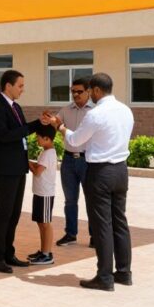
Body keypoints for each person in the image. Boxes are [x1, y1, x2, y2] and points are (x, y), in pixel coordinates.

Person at [43, 72, 134, 291]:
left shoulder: (95, 114)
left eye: (89, 90)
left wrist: (61, 127)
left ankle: (104, 277)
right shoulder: (126, 110)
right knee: (119, 222)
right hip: (121, 170)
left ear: (96, 91)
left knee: (103, 225)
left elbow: (74, 140)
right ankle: (123, 272)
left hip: (101, 171)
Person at [0, 69, 44, 273]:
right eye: (20, 86)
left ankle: (9, 253)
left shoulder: (16, 107)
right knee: (3, 212)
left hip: (19, 167)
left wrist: (40, 124)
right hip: (5, 168)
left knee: (15, 213)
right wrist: (34, 125)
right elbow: (4, 136)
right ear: (8, 86)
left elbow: (22, 134)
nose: (22, 89)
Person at [56, 77, 94, 247]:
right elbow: (55, 124)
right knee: (70, 200)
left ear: (88, 92)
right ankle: (70, 234)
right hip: (69, 160)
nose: (76, 95)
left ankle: (95, 236)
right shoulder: (65, 110)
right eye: (73, 91)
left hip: (88, 161)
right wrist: (48, 121)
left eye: (79, 91)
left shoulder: (95, 112)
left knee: (92, 200)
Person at [27, 124, 59, 265]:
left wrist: (26, 161)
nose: (36, 140)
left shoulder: (48, 154)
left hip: (45, 193)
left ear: (47, 138)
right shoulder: (45, 152)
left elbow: (37, 171)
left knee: (45, 224)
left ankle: (47, 254)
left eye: (38, 138)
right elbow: (39, 167)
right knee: (41, 223)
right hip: (40, 192)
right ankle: (43, 251)